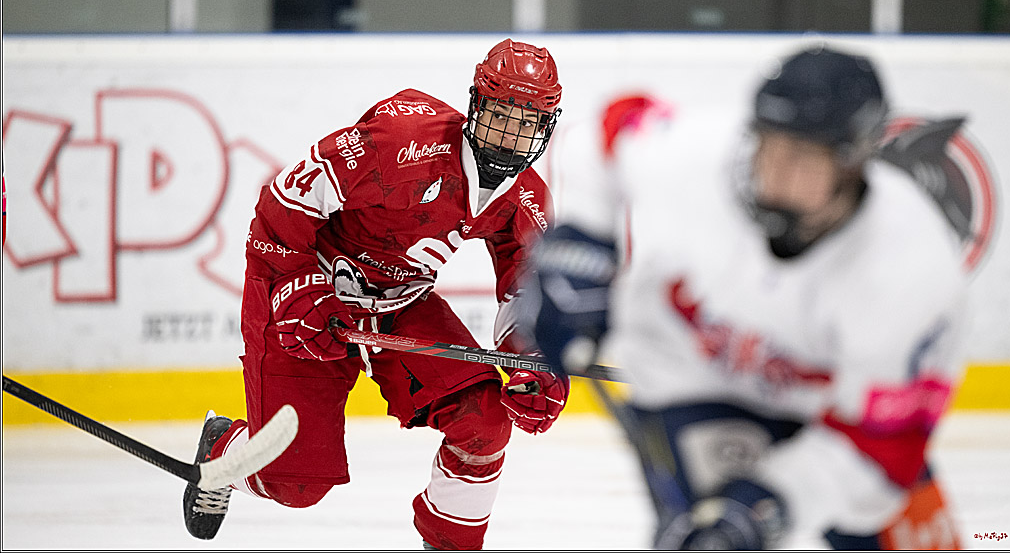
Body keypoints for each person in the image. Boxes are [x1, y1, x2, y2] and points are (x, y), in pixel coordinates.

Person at [523, 45, 968, 549]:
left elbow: (882, 452)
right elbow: (604, 133)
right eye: (768, 146)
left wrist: (776, 501)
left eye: (802, 157)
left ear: (854, 162)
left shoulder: (912, 270)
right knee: (705, 539)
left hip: (833, 418)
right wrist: (580, 248)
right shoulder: (700, 155)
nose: (773, 174)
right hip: (692, 382)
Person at [182, 38, 571, 550]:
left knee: (484, 424)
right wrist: (302, 289)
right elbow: (283, 204)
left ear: (544, 130)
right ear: (477, 103)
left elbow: (525, 291)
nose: (509, 135)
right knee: (294, 487)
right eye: (501, 113)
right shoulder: (402, 139)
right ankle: (221, 451)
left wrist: (533, 359)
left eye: (525, 122)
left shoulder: (525, 198)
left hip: (401, 301)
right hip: (306, 286)